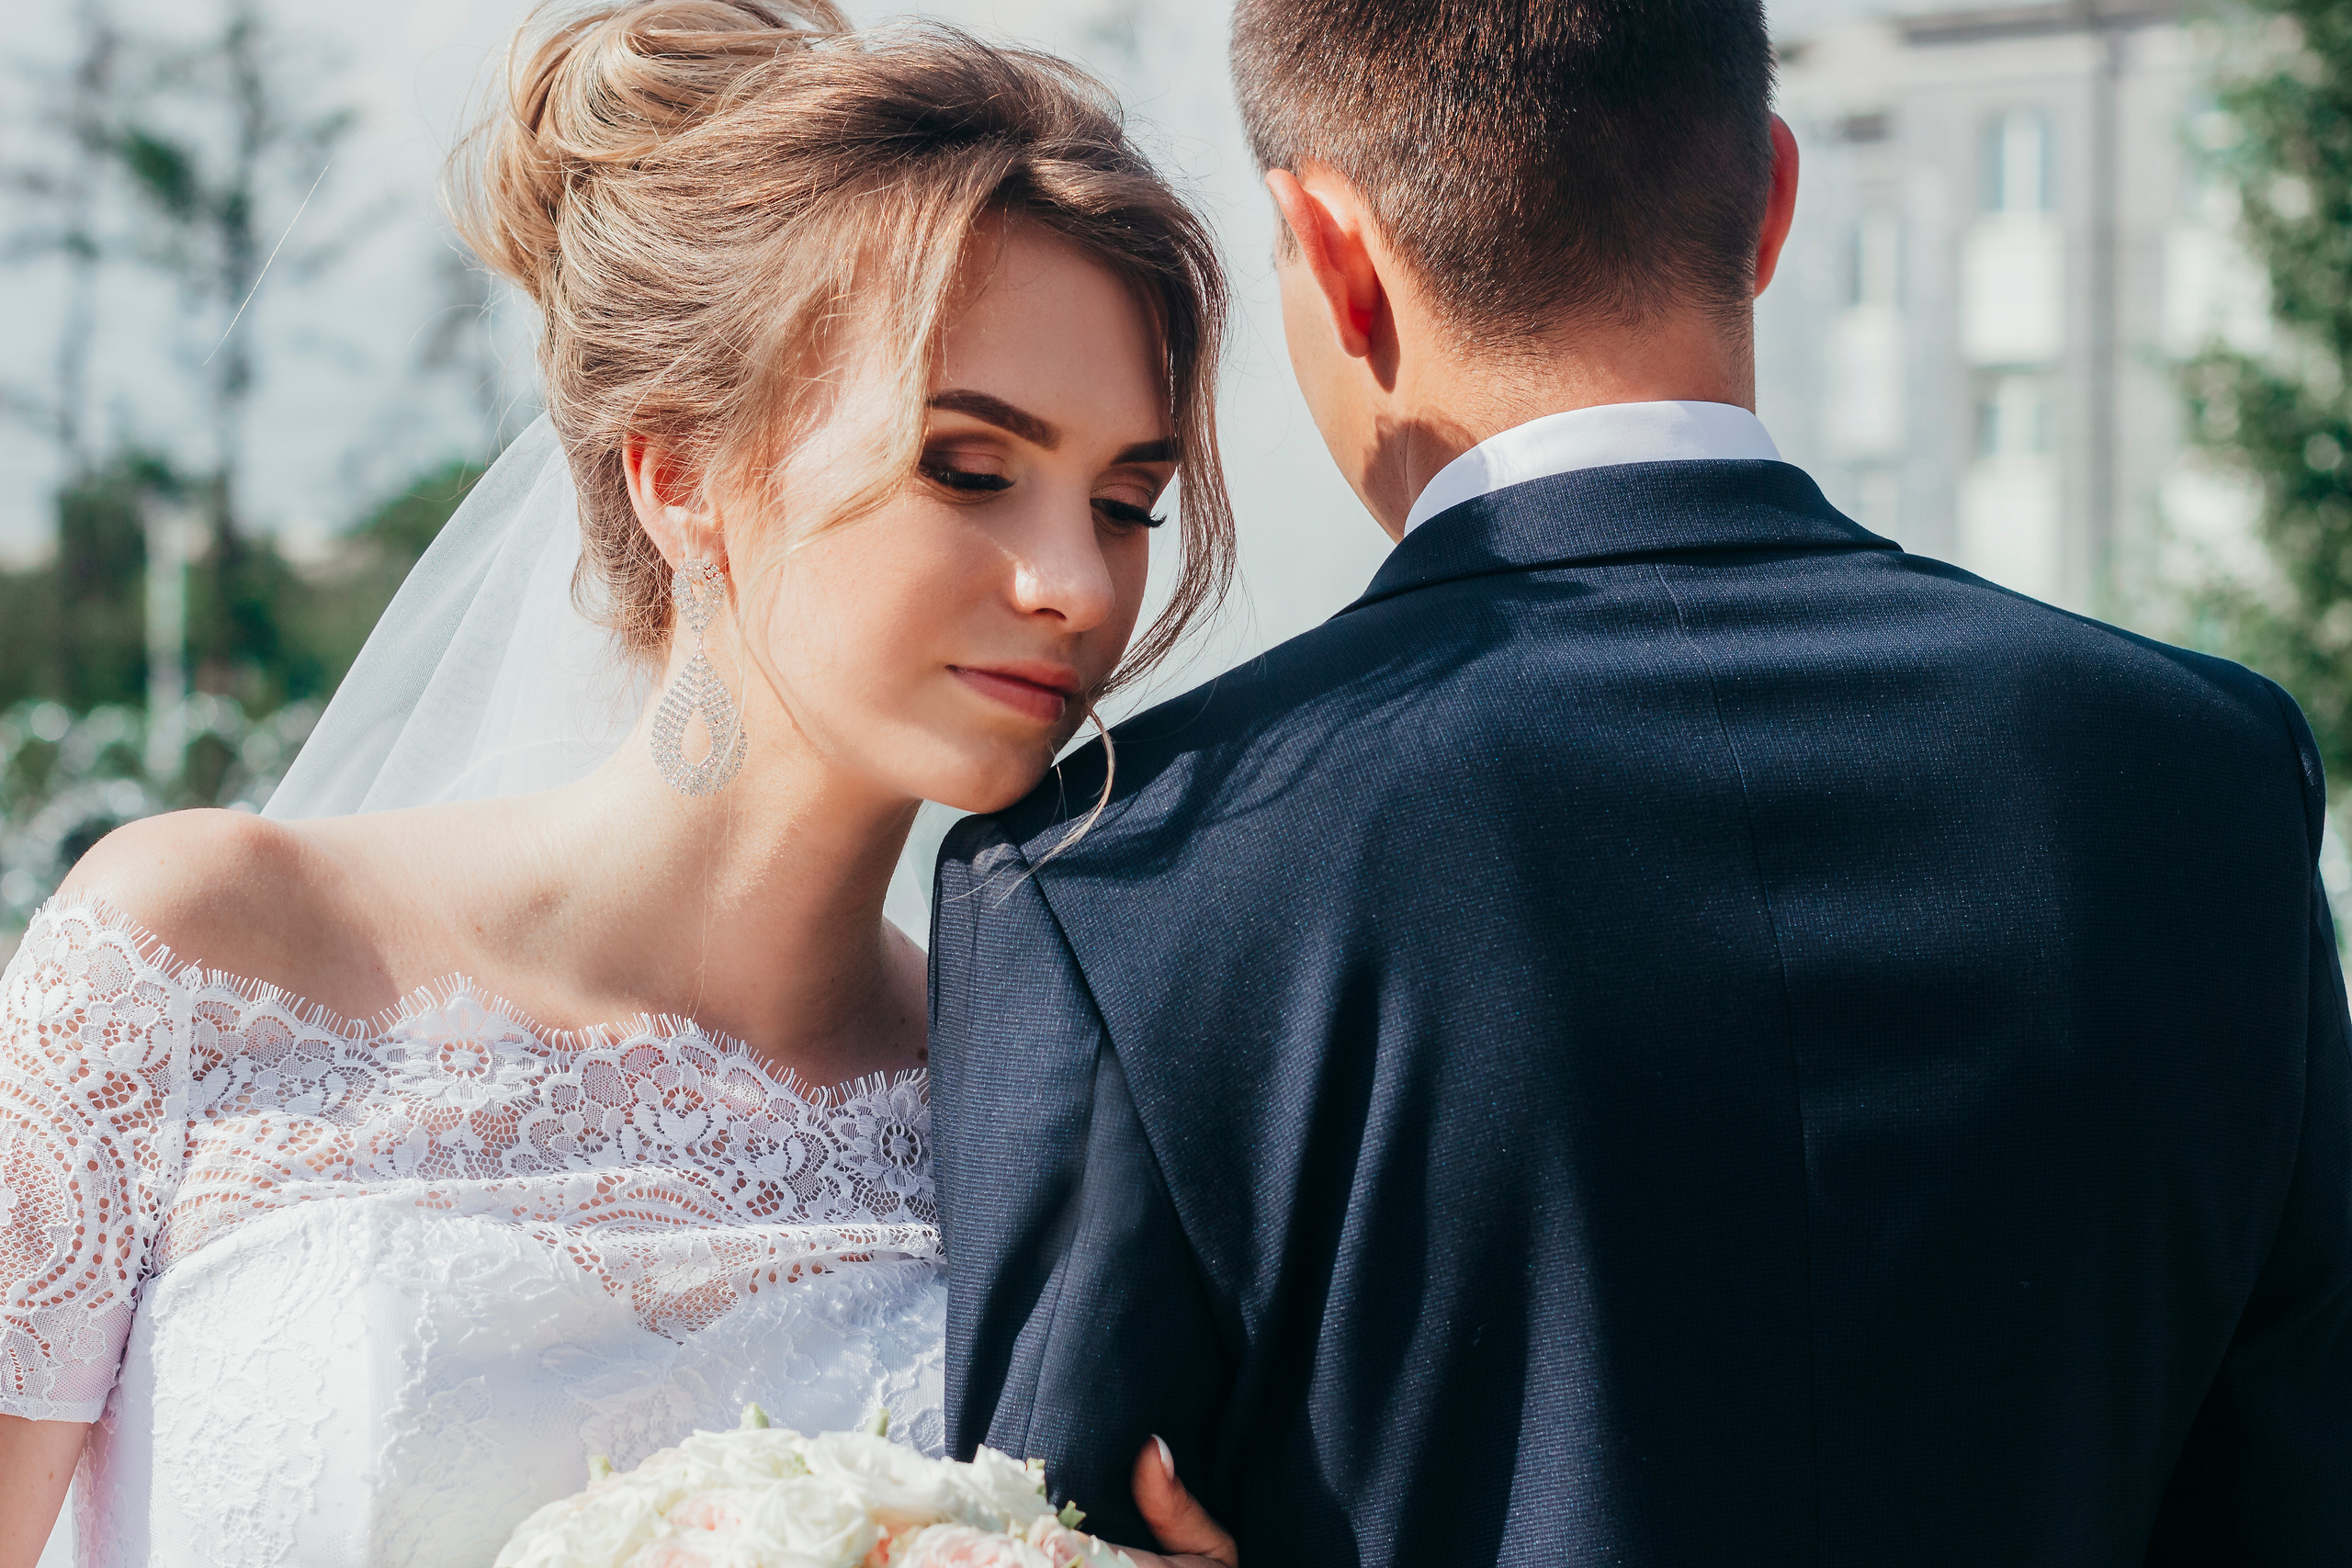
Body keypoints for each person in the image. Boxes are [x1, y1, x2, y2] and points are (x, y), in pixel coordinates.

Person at [929, 0, 2352, 1562]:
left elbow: (1037, 1532)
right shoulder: (2214, 778)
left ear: (1334, 253)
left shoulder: (1116, 875)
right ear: (1771, 202)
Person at [0, 5, 1239, 1562]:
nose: (1077, 585)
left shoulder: (1037, 1116)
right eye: (970, 469)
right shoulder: (197, 954)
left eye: (1127, 503)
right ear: (682, 474)